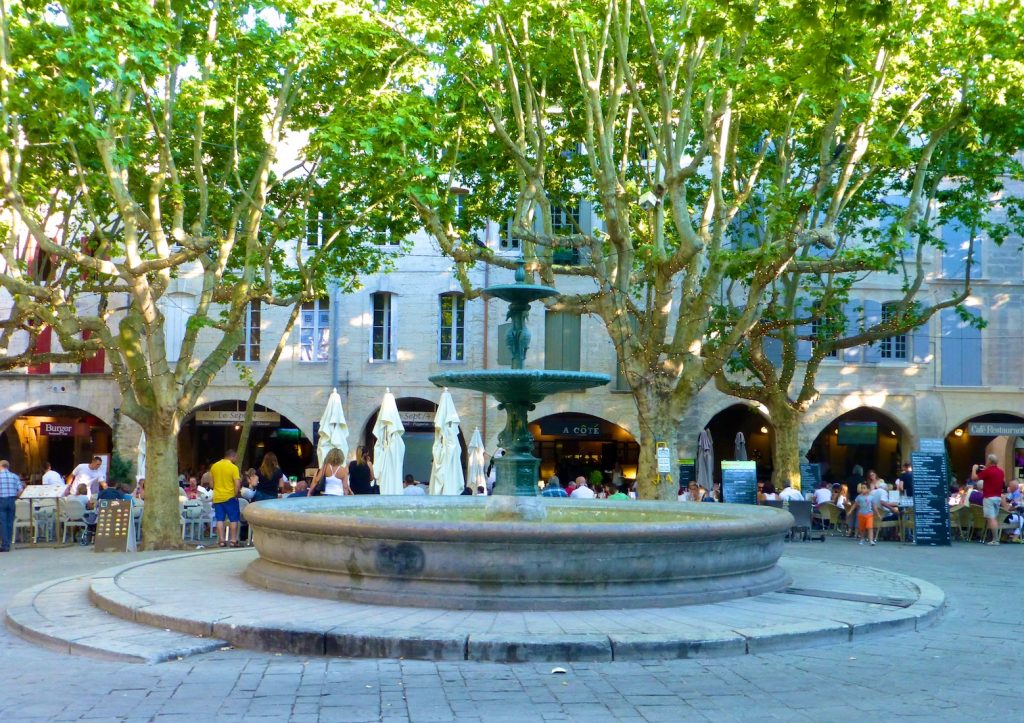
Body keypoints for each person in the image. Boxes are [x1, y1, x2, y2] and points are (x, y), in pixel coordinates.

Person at [210, 449, 242, 548]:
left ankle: (222, 541)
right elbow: (237, 483)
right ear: (232, 457)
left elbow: (211, 483)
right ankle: (233, 540)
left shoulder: (214, 466)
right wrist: (235, 494)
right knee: (233, 519)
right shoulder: (233, 467)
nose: (236, 459)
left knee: (220, 519)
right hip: (230, 497)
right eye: (235, 457)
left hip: (218, 497)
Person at [972, 454, 1006, 545]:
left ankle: (995, 539)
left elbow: (974, 478)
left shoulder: (988, 471)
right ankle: (994, 538)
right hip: (998, 497)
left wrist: (974, 469)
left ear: (990, 461)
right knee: (994, 518)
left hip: (989, 497)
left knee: (991, 519)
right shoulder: (1001, 472)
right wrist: (985, 468)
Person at [0, 460, 24, 552]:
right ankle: (8, 542)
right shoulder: (14, 476)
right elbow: (21, 489)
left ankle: (5, 545)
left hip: (1, 500)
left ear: (1, 466)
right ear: (8, 466)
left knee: (3, 523)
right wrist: (16, 495)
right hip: (11, 500)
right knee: (10, 522)